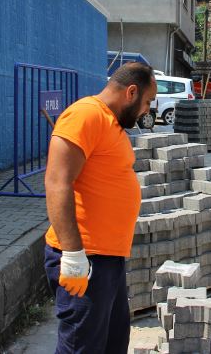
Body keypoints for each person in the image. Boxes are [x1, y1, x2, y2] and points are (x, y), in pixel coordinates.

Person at [44, 62, 157, 354]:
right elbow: (57, 182)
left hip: (107, 259)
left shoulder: (110, 121)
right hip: (85, 259)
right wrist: (72, 254)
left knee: (112, 343)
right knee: (82, 347)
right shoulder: (86, 115)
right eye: (147, 102)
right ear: (131, 92)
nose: (147, 110)